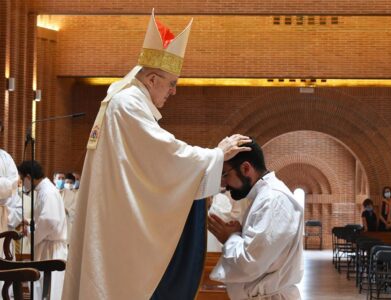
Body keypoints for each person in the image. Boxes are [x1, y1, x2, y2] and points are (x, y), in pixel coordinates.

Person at [62, 9, 251, 300]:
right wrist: (216, 155)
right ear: (151, 79)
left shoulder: (123, 100)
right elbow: (166, 154)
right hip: (118, 225)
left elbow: (156, 161)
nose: (174, 91)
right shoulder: (127, 105)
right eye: (171, 83)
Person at [208, 140, 304, 300]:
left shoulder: (273, 199)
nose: (224, 184)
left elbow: (249, 264)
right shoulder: (264, 196)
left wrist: (230, 237)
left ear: (246, 168)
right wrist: (237, 233)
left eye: (225, 175)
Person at [18, 160, 68, 299]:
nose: (23, 182)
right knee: (42, 290)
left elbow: (49, 221)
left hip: (50, 250)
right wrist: (30, 222)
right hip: (48, 245)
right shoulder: (44, 190)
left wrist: (30, 233)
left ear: (29, 177)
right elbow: (45, 219)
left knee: (49, 291)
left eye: (23, 179)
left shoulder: (47, 192)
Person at [0, 120, 22, 234]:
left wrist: (6, 215)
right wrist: (9, 185)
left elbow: (14, 190)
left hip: (4, 222)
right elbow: (11, 185)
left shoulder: (6, 158)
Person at [61, 173, 77, 244]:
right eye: (67, 182)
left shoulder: (75, 194)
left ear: (74, 183)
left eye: (71, 183)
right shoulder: (60, 192)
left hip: (68, 222)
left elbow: (75, 209)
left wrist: (67, 210)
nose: (69, 184)